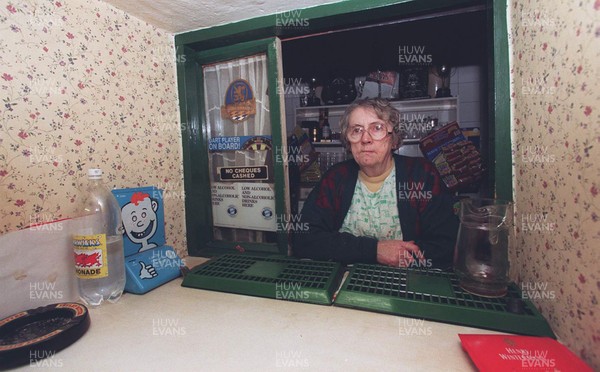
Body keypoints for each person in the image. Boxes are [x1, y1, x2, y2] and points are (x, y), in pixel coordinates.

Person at [293, 98, 459, 269]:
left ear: (393, 138)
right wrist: (375, 251)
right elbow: (303, 238)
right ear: (349, 142)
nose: (365, 139)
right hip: (344, 285)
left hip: (407, 284)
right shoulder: (336, 178)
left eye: (377, 128)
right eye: (356, 130)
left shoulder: (422, 175)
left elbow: (446, 247)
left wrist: (399, 258)